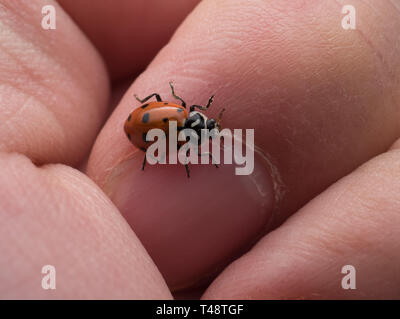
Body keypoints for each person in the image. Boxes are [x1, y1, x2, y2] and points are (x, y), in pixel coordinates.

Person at [0, 0, 399, 299]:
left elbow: (165, 138)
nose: (209, 129)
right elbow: (167, 141)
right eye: (208, 127)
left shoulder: (185, 119)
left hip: (143, 124)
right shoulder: (187, 124)